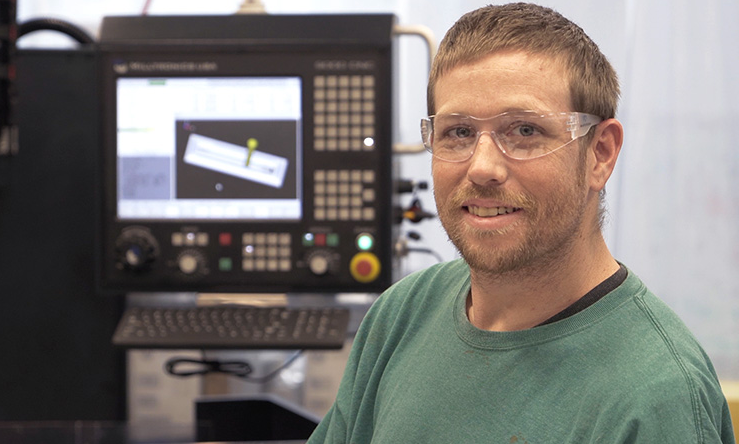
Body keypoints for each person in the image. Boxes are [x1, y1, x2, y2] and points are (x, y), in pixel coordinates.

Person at [307, 3, 735, 443]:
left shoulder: (654, 398)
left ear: (600, 154)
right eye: (458, 132)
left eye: (525, 131)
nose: (482, 167)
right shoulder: (402, 315)